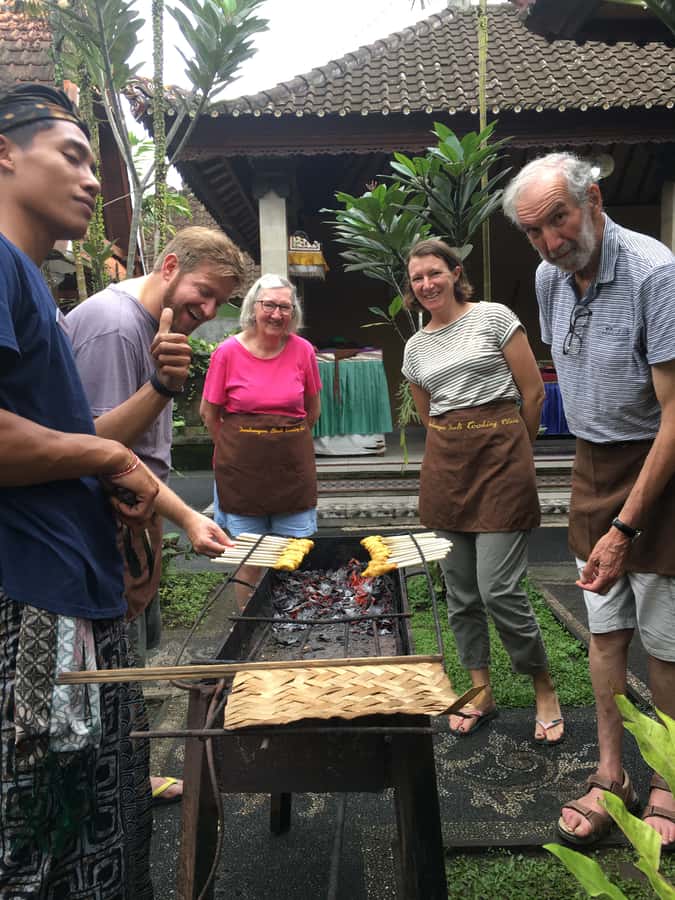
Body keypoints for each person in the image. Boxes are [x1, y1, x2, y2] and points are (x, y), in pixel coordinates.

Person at [0, 83, 159, 897]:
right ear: (4, 154)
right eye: (71, 155)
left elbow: (67, 434)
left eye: (95, 163)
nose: (93, 179)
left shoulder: (31, 280)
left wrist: (110, 480)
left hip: (72, 581)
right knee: (38, 843)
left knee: (93, 827)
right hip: (30, 594)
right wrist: (105, 464)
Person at [502, 151, 675, 849]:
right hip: (591, 463)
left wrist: (625, 527)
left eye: (558, 220)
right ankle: (612, 775)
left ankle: (667, 778)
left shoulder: (654, 275)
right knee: (603, 631)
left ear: (592, 201)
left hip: (658, 467)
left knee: (663, 645)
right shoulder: (548, 277)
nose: (549, 242)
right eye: (533, 231)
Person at [67, 226, 244, 804]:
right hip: (94, 525)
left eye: (221, 302)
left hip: (134, 518)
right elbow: (96, 449)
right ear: (169, 266)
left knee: (128, 659)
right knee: (106, 663)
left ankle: (123, 775)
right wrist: (188, 518)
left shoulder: (149, 325)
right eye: (204, 291)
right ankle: (107, 787)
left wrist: (169, 518)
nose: (210, 310)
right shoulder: (116, 327)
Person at [401, 238, 564, 744]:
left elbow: (532, 390)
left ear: (454, 272)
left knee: (499, 590)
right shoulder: (415, 346)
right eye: (417, 278)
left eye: (434, 272)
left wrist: (516, 448)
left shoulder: (493, 317)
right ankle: (479, 691)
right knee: (462, 594)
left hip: (501, 463)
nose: (427, 284)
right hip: (447, 469)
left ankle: (543, 688)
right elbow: (427, 413)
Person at [200, 274, 321, 607]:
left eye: (285, 306)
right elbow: (209, 414)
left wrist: (282, 442)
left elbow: (312, 410)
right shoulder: (226, 353)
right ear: (253, 308)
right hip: (242, 475)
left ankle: (291, 624)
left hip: (290, 472)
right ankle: (251, 624)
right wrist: (237, 450)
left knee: (290, 556)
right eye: (269, 305)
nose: (277, 314)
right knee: (249, 558)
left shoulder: (303, 351)